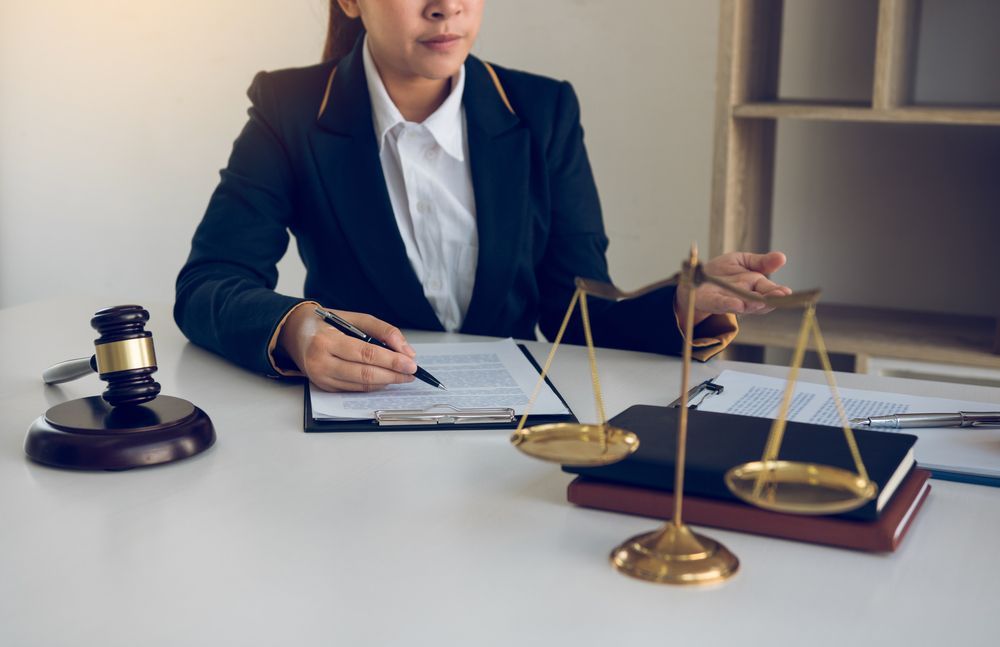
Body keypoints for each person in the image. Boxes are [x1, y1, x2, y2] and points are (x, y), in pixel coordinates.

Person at [175, 0, 790, 392]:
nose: (447, 8)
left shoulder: (543, 110)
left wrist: (681, 304)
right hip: (360, 425)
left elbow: (574, 307)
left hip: (510, 438)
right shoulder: (292, 110)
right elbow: (209, 283)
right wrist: (294, 329)